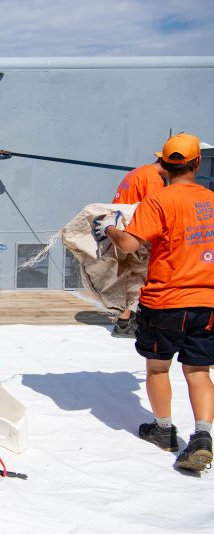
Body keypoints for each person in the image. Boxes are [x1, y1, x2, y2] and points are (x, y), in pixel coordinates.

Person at [95, 132, 213, 471]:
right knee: (199, 370)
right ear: (197, 162)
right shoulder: (211, 200)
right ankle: (202, 436)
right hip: (207, 300)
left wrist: (109, 229)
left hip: (166, 300)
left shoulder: (159, 201)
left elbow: (130, 244)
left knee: (159, 367)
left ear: (164, 164)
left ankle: (163, 431)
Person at [109, 156, 168, 337]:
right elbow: (156, 210)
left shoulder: (138, 172)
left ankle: (124, 321)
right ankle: (125, 323)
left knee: (128, 275)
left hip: (122, 228)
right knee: (138, 276)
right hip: (135, 232)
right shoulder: (153, 180)